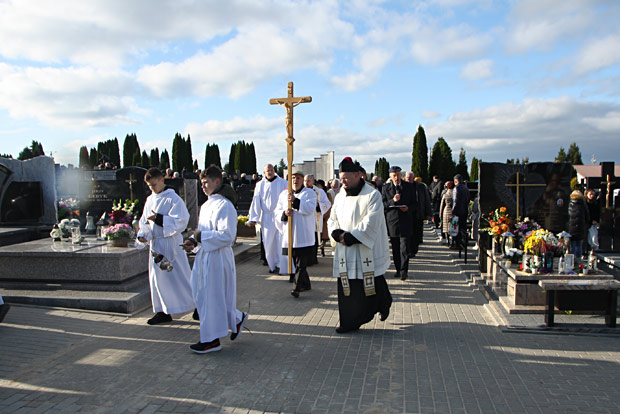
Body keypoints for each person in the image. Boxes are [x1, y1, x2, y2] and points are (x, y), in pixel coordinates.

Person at [183, 165, 248, 354]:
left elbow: (227, 235)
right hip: (205, 255)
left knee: (212, 298)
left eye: (206, 183)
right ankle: (235, 319)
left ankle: (211, 340)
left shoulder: (225, 205)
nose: (203, 186)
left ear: (217, 181)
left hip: (219, 257)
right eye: (201, 183)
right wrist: (192, 242)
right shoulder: (206, 205)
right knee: (203, 295)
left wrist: (201, 237)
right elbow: (201, 232)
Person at [328, 157, 392, 333]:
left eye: (346, 177)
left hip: (364, 248)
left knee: (369, 282)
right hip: (345, 251)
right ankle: (349, 321)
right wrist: (336, 233)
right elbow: (332, 218)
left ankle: (381, 303)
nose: (343, 181)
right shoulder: (340, 196)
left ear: (357, 175)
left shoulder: (372, 195)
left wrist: (351, 237)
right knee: (349, 286)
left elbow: (372, 221)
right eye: (341, 178)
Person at [137, 167, 196, 325]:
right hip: (156, 244)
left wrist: (159, 219)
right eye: (149, 186)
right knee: (157, 279)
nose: (152, 188)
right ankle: (162, 311)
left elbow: (182, 220)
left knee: (181, 277)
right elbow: (144, 221)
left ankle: (198, 305)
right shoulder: (150, 199)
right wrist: (143, 235)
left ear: (162, 180)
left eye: (154, 184)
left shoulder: (172, 198)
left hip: (171, 245)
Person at [274, 171, 316, 297]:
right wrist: (284, 213)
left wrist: (296, 201)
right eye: (293, 178)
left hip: (303, 235)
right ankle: (306, 284)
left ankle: (296, 288)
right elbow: (277, 211)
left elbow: (310, 208)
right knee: (297, 262)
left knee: (300, 263)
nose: (295, 180)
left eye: (298, 178)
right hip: (289, 235)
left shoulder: (309, 193)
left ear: (302, 180)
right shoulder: (283, 195)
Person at [248, 164, 288, 274]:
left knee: (281, 241)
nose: (269, 172)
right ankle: (272, 265)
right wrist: (254, 217)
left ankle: (283, 265)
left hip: (280, 216)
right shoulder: (260, 185)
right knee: (268, 242)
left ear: (274, 171)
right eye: (267, 171)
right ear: (264, 172)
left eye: (271, 170)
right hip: (267, 217)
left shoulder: (283, 183)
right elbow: (256, 200)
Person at [381, 166, 416, 280]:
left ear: (401, 175)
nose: (396, 178)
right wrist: (393, 201)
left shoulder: (409, 187)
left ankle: (404, 270)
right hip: (392, 222)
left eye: (398, 175)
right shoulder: (386, 188)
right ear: (390, 177)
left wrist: (408, 208)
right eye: (394, 176)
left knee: (404, 248)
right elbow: (383, 205)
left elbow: (415, 204)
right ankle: (398, 269)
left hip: (405, 220)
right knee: (395, 248)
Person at [304, 174, 332, 265]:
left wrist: (318, 205)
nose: (306, 183)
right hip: (304, 220)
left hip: (315, 218)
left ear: (313, 181)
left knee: (314, 239)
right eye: (305, 181)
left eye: (308, 181)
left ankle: (313, 258)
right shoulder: (300, 191)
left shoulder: (319, 191)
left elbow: (327, 204)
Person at [404, 173, 432, 257]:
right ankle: (408, 250)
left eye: (410, 177)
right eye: (407, 178)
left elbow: (426, 200)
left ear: (413, 178)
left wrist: (428, 213)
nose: (409, 179)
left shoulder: (420, 187)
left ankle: (414, 250)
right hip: (407, 214)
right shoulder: (403, 186)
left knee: (416, 233)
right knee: (407, 234)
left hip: (418, 213)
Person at [568, 190, 590, 259]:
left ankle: (572, 261)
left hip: (571, 228)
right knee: (579, 245)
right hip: (580, 228)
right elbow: (587, 217)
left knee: (572, 245)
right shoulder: (583, 204)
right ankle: (578, 261)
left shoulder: (569, 204)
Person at [452, 174, 470, 250]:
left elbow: (455, 201)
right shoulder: (465, 188)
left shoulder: (456, 188)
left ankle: (457, 244)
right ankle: (464, 243)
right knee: (463, 228)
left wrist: (453, 211)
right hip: (464, 210)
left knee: (456, 228)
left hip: (458, 211)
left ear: (455, 181)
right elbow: (468, 200)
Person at [316, 180, 333, 257]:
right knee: (318, 234)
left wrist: (325, 215)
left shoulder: (327, 194)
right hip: (317, 217)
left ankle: (322, 248)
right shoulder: (315, 193)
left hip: (325, 217)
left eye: (320, 185)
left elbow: (329, 205)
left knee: (324, 236)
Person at [440, 181, 454, 245]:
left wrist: (440, 214)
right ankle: (453, 241)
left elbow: (442, 205)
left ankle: (447, 240)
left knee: (446, 227)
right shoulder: (455, 193)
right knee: (453, 226)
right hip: (453, 211)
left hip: (446, 210)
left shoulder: (445, 194)